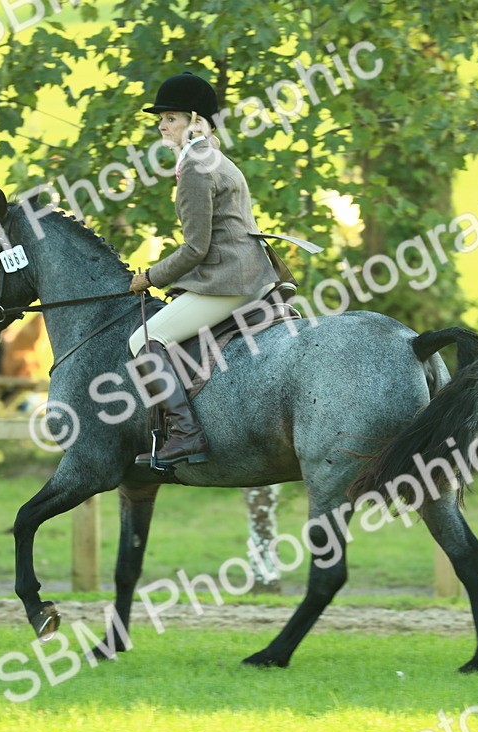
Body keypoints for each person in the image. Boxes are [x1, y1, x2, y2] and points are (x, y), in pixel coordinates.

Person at [128, 72, 279, 468]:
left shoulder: (196, 166)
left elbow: (196, 248)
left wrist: (151, 277)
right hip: (245, 272)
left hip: (228, 279)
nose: (162, 125)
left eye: (171, 118)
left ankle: (186, 434)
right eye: (161, 119)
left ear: (196, 120)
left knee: (145, 337)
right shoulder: (210, 157)